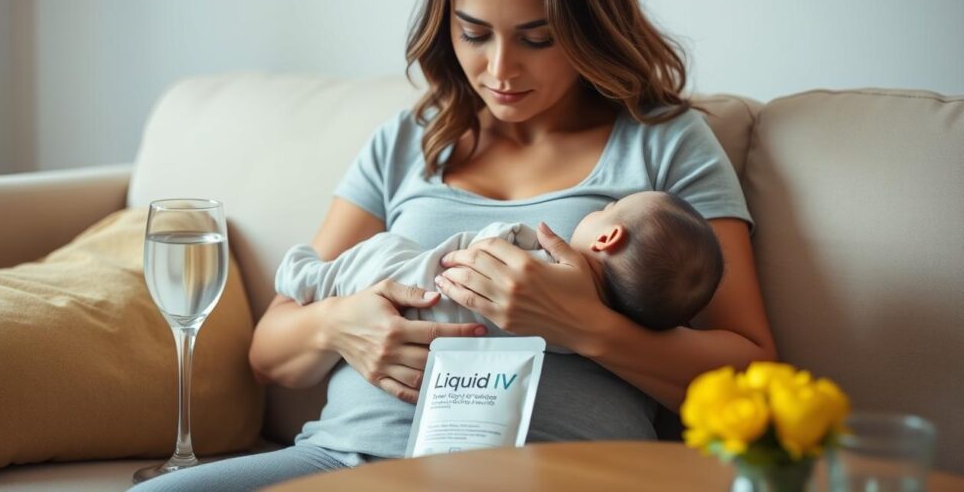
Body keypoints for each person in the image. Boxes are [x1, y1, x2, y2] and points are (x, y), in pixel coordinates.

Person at [131, 0, 776, 490]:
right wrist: (343, 326)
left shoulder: (664, 144)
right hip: (344, 464)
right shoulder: (408, 141)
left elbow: (753, 376)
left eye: (537, 37)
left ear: (589, 25)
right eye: (475, 34)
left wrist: (581, 325)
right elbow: (270, 351)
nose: (501, 69)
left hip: (558, 470)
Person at [276, 190, 724, 340]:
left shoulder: (553, 266)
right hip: (341, 447)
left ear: (607, 237)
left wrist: (516, 233)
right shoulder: (621, 314)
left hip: (422, 285)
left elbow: (498, 243)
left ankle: (308, 276)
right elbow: (266, 352)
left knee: (384, 251)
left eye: (613, 205)